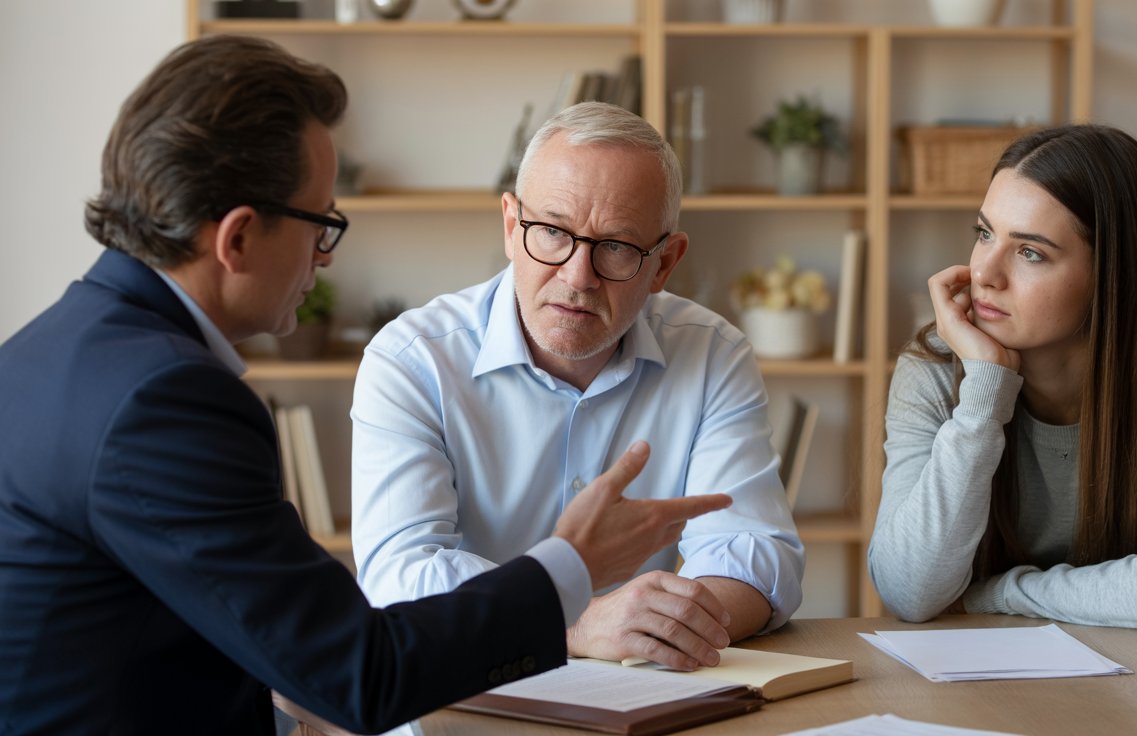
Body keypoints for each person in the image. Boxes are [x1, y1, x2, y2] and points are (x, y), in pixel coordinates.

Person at [0, 36, 731, 735]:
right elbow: (361, 676)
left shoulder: (47, 354)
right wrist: (570, 563)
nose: (324, 259)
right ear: (239, 238)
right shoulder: (164, 403)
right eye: (322, 223)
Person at [351, 101, 805, 671]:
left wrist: (648, 627)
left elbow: (758, 558)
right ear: (512, 226)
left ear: (665, 263)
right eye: (552, 232)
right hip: (466, 685)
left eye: (616, 246)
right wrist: (577, 622)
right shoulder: (412, 362)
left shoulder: (714, 354)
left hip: (646, 688)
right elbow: (401, 575)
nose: (576, 276)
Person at [868, 124, 1137, 632]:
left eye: (1030, 252)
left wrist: (994, 593)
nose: (985, 272)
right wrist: (984, 393)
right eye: (985, 234)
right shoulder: (936, 367)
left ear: (1112, 276)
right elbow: (909, 589)